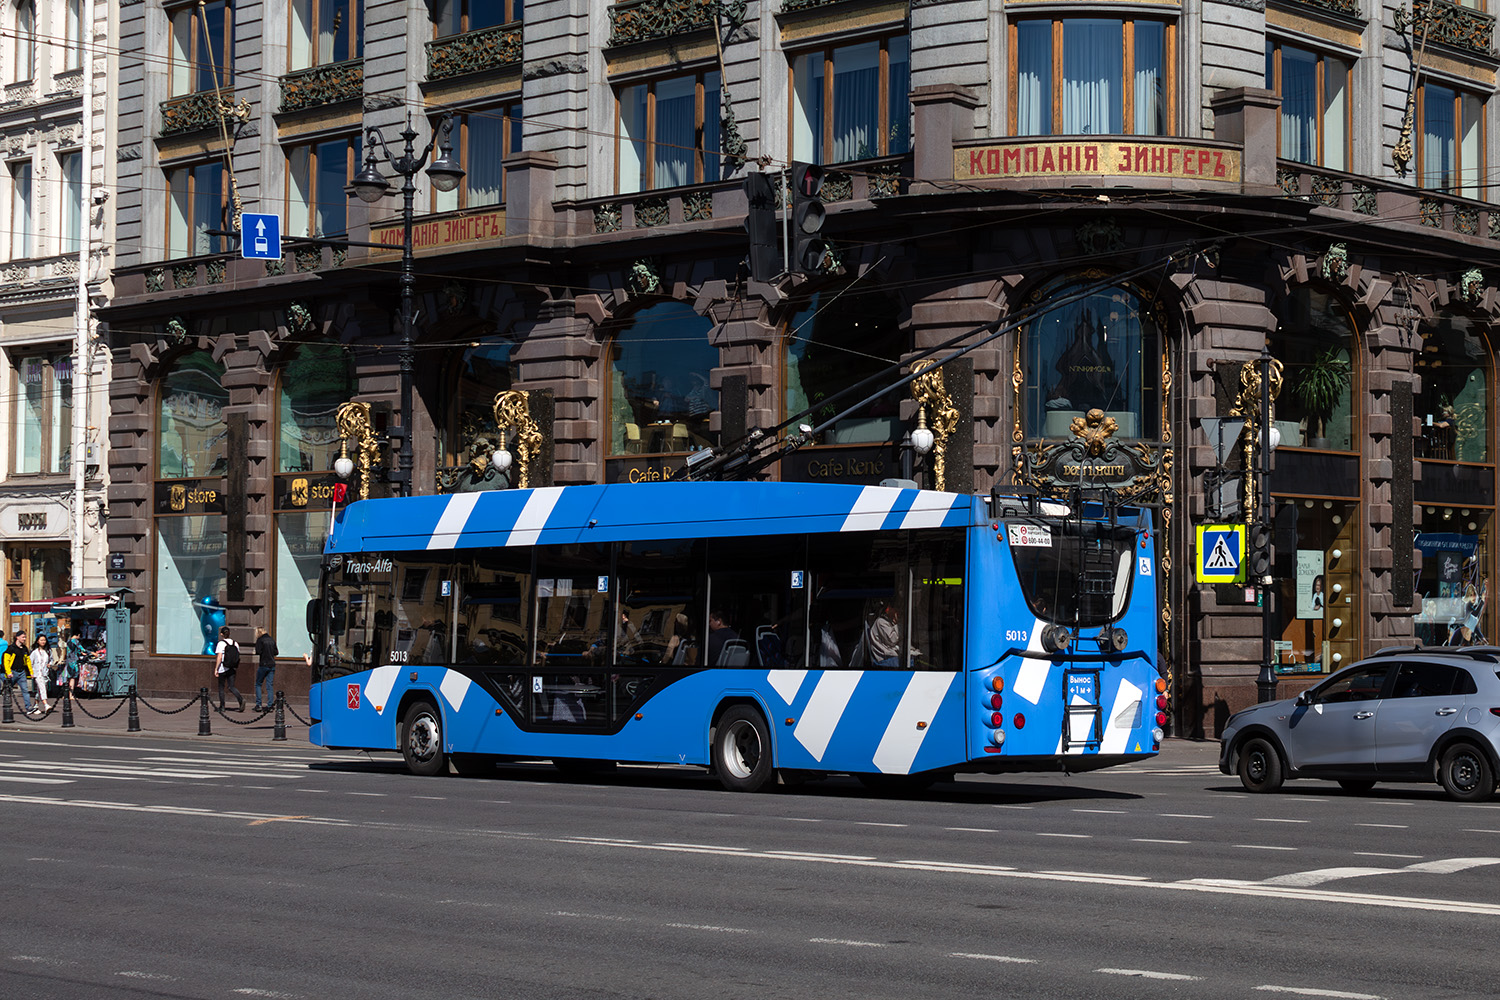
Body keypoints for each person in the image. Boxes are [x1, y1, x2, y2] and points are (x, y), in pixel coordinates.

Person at [214, 625, 245, 712]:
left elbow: (219, 657)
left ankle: (222, 706)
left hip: (223, 668)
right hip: (232, 668)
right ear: (229, 633)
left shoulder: (221, 644)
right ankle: (241, 700)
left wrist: (216, 668)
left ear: (221, 634)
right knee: (231, 686)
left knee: (221, 687)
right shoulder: (235, 643)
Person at [2, 631, 31, 714]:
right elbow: (6, 661)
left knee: (25, 690)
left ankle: (28, 707)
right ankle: (7, 707)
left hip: (21, 672)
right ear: (17, 637)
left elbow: (28, 661)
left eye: (25, 637)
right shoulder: (11, 648)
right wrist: (8, 672)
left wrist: (30, 672)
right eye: (23, 637)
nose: (24, 639)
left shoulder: (24, 649)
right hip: (13, 672)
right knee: (8, 690)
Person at [866, 603, 902, 668]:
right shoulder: (881, 622)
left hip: (892, 655)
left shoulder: (890, 622)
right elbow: (893, 639)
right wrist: (897, 623)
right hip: (886, 658)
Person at [253, 627, 278, 711]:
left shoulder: (260, 640)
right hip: (272, 664)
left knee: (258, 684)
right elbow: (276, 652)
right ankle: (270, 705)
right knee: (269, 685)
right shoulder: (271, 639)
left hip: (263, 664)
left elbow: (258, 651)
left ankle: (258, 705)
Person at [29, 632, 52, 714]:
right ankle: (46, 705)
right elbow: (30, 662)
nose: (43, 642)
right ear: (37, 641)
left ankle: (35, 706)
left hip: (45, 673)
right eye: (41, 640)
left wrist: (50, 664)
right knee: (42, 688)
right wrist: (31, 672)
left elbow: (51, 659)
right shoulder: (34, 652)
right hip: (37, 674)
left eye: (44, 640)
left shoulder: (48, 651)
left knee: (40, 690)